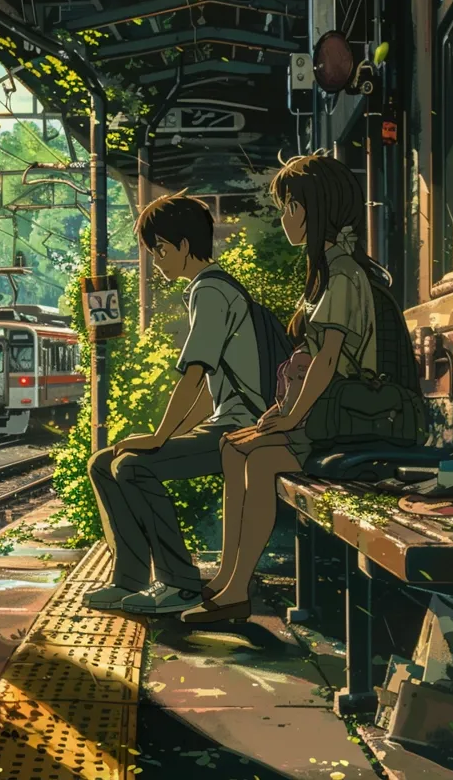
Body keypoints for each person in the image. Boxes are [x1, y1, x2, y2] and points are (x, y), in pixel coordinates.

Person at [181, 152, 387, 624]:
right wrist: (282, 412)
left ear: (317, 209)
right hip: (326, 414)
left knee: (257, 458)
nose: (284, 217)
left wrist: (291, 417)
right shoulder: (329, 271)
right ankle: (229, 576)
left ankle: (236, 588)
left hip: (347, 421)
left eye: (291, 206)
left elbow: (328, 359)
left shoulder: (343, 274)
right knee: (234, 446)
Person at [85, 191, 268, 615]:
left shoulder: (211, 291)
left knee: (133, 465)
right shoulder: (210, 290)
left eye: (161, 249)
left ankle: (178, 584)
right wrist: (172, 437)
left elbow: (194, 374)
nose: (156, 260)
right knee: (103, 462)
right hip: (225, 422)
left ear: (184, 246)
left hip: (243, 429)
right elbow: (210, 389)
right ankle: (129, 579)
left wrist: (160, 438)